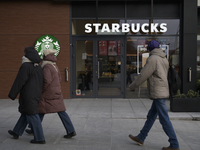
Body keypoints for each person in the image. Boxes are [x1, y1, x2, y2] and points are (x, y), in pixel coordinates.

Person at [128, 40, 180, 150]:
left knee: (164, 119)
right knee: (151, 116)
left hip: (158, 92)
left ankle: (174, 144)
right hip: (162, 90)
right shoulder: (163, 58)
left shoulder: (152, 59)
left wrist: (131, 86)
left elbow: (143, 75)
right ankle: (141, 137)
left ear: (150, 49)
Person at [25, 49, 76, 139]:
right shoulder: (54, 65)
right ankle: (71, 130)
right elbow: (59, 79)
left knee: (40, 110)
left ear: (45, 56)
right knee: (61, 111)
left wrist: (42, 90)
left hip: (48, 93)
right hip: (56, 92)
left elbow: (46, 80)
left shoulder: (46, 66)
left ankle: (34, 129)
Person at [8, 46, 45, 144]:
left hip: (28, 94)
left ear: (26, 54)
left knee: (32, 114)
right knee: (26, 112)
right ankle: (16, 131)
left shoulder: (25, 66)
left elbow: (19, 81)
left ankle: (40, 138)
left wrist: (12, 94)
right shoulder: (38, 66)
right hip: (36, 93)